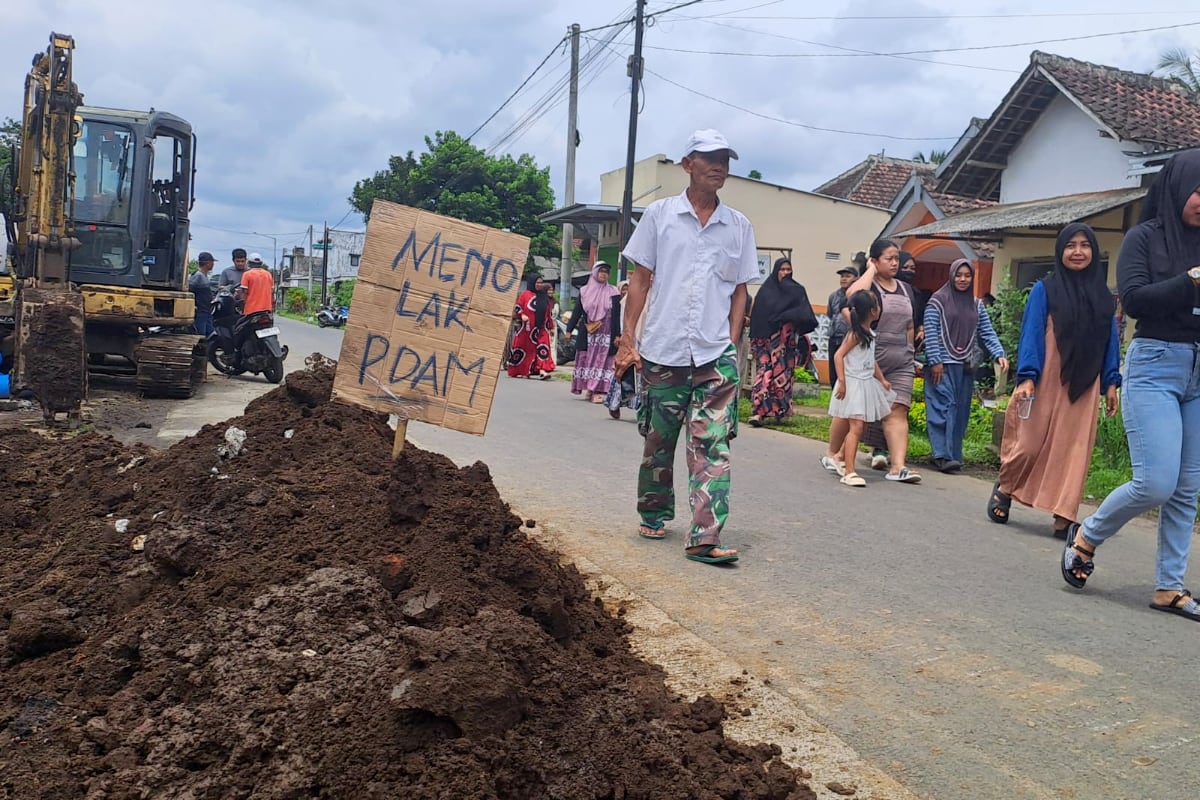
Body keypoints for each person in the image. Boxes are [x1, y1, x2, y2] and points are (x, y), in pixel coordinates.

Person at [1057, 154, 1200, 621]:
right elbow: (1135, 300)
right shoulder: (1145, 238)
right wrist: (1191, 280)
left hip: (1199, 369)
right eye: (1199, 191)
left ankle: (1169, 588)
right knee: (1156, 481)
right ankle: (1088, 535)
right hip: (1156, 363)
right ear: (1179, 187)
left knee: (1185, 488)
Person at [617, 128, 758, 565]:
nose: (719, 166)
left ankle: (704, 536)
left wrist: (732, 343)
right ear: (687, 164)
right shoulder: (659, 216)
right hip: (663, 348)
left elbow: (740, 291)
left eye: (725, 159)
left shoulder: (738, 227)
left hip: (715, 355)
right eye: (709, 158)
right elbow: (640, 281)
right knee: (658, 442)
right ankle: (654, 511)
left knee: (712, 445)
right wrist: (628, 338)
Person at [988, 223, 1119, 538]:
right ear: (1060, 251)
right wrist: (1027, 376)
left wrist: (1111, 382)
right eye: (1070, 245)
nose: (1077, 252)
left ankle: (1064, 513)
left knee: (1073, 450)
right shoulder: (1044, 289)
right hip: (1047, 374)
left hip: (1085, 382)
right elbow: (1032, 331)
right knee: (1029, 443)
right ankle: (1006, 486)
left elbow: (1110, 339)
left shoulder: (1104, 297)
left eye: (1084, 245)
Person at [827, 238, 921, 483]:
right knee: (849, 415)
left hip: (900, 359)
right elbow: (852, 297)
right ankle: (834, 454)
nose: (894, 263)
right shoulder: (868, 288)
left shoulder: (905, 288)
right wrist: (870, 269)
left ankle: (897, 466)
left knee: (898, 409)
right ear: (875, 260)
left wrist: (909, 349)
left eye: (896, 259)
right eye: (888, 258)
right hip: (869, 360)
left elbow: (910, 324)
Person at [923, 259, 1008, 472]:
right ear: (951, 276)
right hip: (941, 365)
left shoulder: (976, 304)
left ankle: (953, 455)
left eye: (967, 276)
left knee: (960, 411)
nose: (962, 279)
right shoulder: (938, 301)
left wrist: (999, 353)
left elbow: (986, 331)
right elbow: (931, 331)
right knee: (944, 406)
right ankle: (941, 454)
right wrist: (935, 361)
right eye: (958, 275)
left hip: (965, 366)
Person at [826, 291, 894, 487]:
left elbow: (870, 361)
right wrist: (842, 381)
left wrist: (881, 380)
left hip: (864, 383)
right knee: (856, 427)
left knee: (860, 427)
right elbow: (839, 356)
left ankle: (839, 457)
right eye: (877, 305)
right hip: (853, 384)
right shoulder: (855, 334)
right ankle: (849, 471)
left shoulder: (869, 335)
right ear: (872, 311)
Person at [747, 257, 818, 426]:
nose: (786, 273)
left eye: (788, 270)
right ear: (776, 271)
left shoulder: (797, 291)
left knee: (783, 375)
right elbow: (758, 315)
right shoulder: (766, 291)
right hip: (765, 340)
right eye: (782, 269)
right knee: (765, 372)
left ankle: (780, 410)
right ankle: (759, 411)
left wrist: (787, 319)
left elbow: (804, 313)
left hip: (785, 343)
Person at [566, 262, 620, 403]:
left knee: (602, 362)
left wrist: (618, 335)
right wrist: (569, 330)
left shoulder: (613, 292)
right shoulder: (584, 292)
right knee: (588, 360)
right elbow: (577, 312)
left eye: (606, 272)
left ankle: (597, 390)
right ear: (595, 273)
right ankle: (589, 389)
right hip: (589, 334)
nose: (603, 274)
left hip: (606, 334)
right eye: (601, 271)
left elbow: (616, 316)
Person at [605, 280, 642, 420]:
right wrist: (624, 336)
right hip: (632, 340)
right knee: (624, 373)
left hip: (648, 341)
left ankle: (643, 410)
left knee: (644, 378)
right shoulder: (629, 300)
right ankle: (614, 404)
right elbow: (624, 320)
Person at [506, 274, 556, 379]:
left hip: (542, 328)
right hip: (527, 329)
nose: (539, 285)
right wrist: (522, 315)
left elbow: (548, 313)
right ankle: (524, 370)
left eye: (541, 283)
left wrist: (551, 327)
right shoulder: (525, 295)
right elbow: (518, 309)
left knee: (543, 347)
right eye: (537, 283)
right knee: (525, 350)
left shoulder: (544, 296)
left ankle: (542, 370)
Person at [826, 266, 858, 388]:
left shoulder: (857, 295)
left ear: (855, 278)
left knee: (847, 370)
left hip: (850, 338)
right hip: (834, 336)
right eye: (842, 276)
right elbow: (830, 314)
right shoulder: (833, 296)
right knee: (833, 371)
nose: (844, 279)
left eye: (847, 276)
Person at [189, 252, 216, 336]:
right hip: (201, 311)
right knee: (201, 335)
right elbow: (190, 290)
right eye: (212, 262)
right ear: (208, 263)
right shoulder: (198, 276)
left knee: (210, 334)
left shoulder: (204, 276)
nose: (213, 264)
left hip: (207, 310)